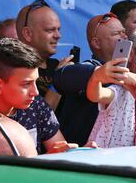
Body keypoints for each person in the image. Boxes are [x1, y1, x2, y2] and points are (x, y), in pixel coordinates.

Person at [53, 13, 128, 146]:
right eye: (117, 33)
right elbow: (61, 77)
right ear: (96, 43)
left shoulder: (134, 70)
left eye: (124, 32)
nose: (124, 37)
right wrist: (98, 74)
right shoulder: (86, 68)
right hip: (84, 157)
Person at [0, 38, 79, 154]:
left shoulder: (36, 104)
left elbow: (63, 153)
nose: (35, 92)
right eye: (26, 84)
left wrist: (84, 152)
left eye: (35, 82)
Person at [16, 0, 74, 111]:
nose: (58, 35)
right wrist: (58, 82)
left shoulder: (59, 66)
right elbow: (36, 120)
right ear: (28, 34)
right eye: (50, 30)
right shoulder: (13, 71)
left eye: (58, 29)